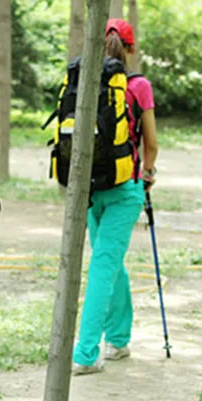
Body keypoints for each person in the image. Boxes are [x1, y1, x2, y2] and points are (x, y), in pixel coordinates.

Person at [72, 18, 159, 376]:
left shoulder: (83, 80)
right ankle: (86, 353)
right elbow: (150, 144)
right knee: (105, 265)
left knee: (109, 259)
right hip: (125, 189)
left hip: (89, 190)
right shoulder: (139, 86)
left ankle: (119, 339)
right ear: (131, 48)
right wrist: (148, 173)